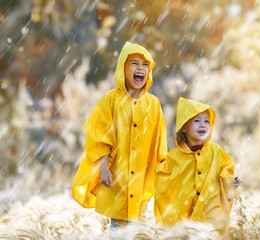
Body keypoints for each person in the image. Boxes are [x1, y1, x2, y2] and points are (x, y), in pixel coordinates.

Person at [72, 41, 167, 228]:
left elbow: (159, 141)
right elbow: (100, 135)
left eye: (145, 64)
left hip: (140, 177)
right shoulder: (110, 100)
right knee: (118, 224)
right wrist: (104, 168)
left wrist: (162, 169)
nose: (140, 68)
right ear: (123, 69)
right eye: (134, 63)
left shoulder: (153, 104)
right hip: (117, 176)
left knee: (137, 225)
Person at [154, 97, 241, 233]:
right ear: (184, 127)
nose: (203, 125)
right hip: (183, 217)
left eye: (207, 121)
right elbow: (163, 182)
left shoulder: (216, 151)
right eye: (197, 121)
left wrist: (231, 182)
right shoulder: (174, 156)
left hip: (209, 215)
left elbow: (226, 170)